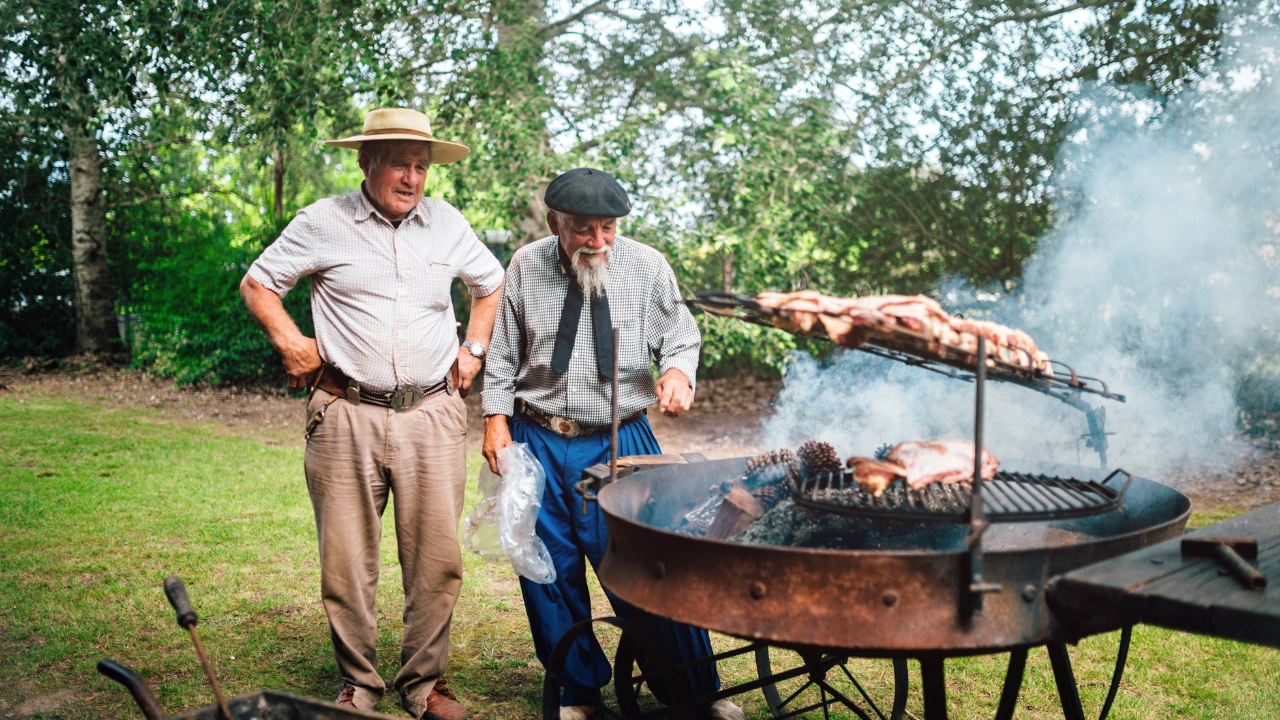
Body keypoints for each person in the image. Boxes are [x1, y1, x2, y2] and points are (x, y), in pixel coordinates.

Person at [240, 108, 504, 720]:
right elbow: (259, 284)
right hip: (345, 412)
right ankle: (359, 684)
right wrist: (290, 342)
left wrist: (475, 349)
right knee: (346, 559)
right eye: (398, 163)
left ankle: (423, 685)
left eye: (421, 166)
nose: (412, 178)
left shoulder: (446, 224)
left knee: (437, 560)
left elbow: (490, 284)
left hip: (432, 412)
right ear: (366, 163)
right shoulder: (322, 222)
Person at [481, 167, 744, 720]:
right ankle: (579, 693)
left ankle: (694, 690)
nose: (596, 241)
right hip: (540, 436)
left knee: (648, 564)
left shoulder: (647, 265)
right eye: (582, 229)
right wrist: (494, 420)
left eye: (607, 228)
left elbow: (679, 333)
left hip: (624, 438)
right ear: (556, 222)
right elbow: (503, 351)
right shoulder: (527, 265)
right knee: (547, 569)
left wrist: (677, 373)